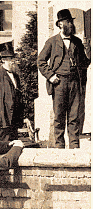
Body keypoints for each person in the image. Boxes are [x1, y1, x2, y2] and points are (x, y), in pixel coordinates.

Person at [38, 9, 91, 149]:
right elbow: (40, 61)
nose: (71, 24)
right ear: (60, 24)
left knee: (74, 118)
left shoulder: (77, 42)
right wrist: (51, 76)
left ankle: (74, 149)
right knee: (59, 118)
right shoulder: (51, 42)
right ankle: (59, 150)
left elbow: (85, 64)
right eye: (68, 22)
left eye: (71, 21)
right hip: (59, 83)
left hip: (75, 83)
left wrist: (88, 51)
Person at [0, 41, 24, 141]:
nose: (13, 61)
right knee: (2, 145)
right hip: (3, 119)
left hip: (14, 119)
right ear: (3, 60)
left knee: (13, 143)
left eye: (13, 59)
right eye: (10, 59)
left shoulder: (15, 76)